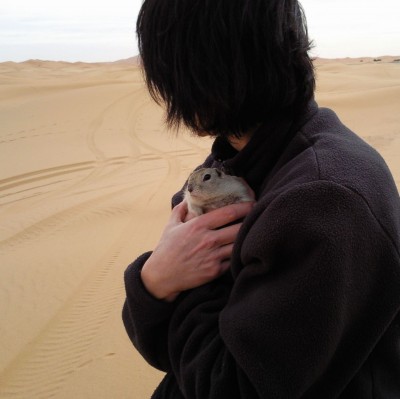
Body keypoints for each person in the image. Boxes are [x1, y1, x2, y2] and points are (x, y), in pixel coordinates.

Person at [122, 0, 400, 397]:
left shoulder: (322, 198)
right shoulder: (240, 157)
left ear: (201, 72)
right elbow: (166, 351)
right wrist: (154, 281)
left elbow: (229, 386)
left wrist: (172, 283)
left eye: (165, 73)